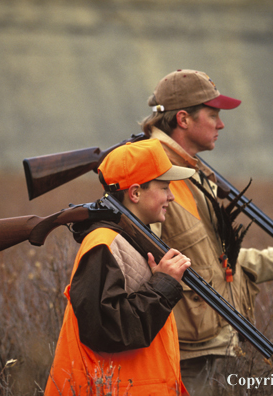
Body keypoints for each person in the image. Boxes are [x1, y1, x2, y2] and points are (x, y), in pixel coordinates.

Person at [140, 69, 273, 395]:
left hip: (203, 342)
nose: (221, 124)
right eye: (213, 115)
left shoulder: (192, 173)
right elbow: (144, 267)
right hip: (179, 350)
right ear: (183, 119)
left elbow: (210, 261)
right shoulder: (155, 174)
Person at [44, 139, 196, 396]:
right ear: (135, 193)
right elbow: (105, 328)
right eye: (164, 187)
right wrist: (162, 285)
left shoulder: (131, 239)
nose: (171, 196)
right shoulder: (103, 243)